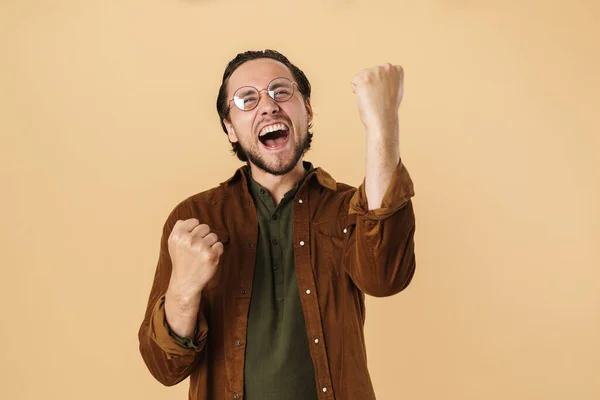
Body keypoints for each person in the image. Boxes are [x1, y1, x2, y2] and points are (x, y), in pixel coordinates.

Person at [138, 49, 416, 400]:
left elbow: (386, 278)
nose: (267, 105)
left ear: (308, 110)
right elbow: (164, 367)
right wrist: (183, 288)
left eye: (281, 91)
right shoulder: (194, 218)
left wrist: (382, 123)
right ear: (230, 129)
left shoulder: (348, 209)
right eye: (247, 99)